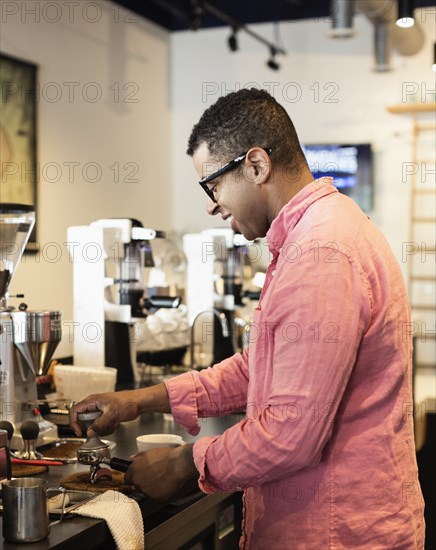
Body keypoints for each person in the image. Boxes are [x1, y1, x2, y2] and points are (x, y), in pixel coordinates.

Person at [71, 89, 425, 549]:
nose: (211, 205)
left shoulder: (320, 254)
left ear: (256, 166)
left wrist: (185, 462)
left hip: (335, 533)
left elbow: (289, 434)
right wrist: (140, 400)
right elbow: (259, 367)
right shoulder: (316, 235)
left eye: (212, 185)